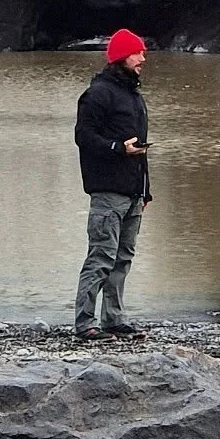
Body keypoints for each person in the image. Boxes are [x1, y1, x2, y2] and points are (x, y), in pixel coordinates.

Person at [73, 27, 151, 341]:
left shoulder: (133, 94)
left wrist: (146, 190)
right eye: (138, 53)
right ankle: (84, 323)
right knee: (101, 258)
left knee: (122, 259)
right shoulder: (98, 93)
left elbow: (140, 147)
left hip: (133, 193)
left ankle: (114, 319)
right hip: (107, 192)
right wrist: (117, 148)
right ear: (121, 56)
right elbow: (83, 136)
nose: (143, 58)